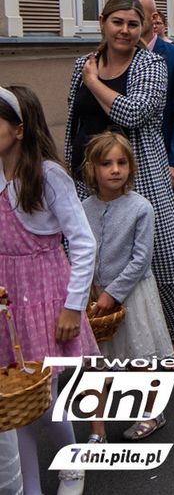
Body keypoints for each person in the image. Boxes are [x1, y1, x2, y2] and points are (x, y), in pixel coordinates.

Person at [66, 0, 174, 362]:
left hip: (140, 177)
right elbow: (75, 120)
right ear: (102, 21)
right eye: (117, 22)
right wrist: (71, 168)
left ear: (146, 28)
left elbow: (134, 114)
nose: (124, 30)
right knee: (100, 258)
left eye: (133, 24)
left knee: (159, 263)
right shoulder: (83, 64)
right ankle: (116, 336)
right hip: (88, 177)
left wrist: (94, 83)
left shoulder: (150, 64)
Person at [0, 86, 99, 495]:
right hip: (8, 298)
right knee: (14, 404)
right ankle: (28, 487)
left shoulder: (48, 175)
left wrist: (73, 306)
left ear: (19, 130)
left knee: (44, 396)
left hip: (45, 292)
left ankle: (72, 466)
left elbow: (83, 241)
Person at [80, 132, 174, 443]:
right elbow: (80, 249)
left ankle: (151, 411)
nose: (115, 169)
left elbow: (140, 260)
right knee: (96, 363)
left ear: (131, 168)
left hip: (132, 294)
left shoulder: (141, 208)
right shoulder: (84, 207)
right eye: (106, 163)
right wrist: (90, 286)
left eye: (121, 162)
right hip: (94, 296)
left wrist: (112, 292)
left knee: (136, 359)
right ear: (92, 169)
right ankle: (97, 431)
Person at [132, 0, 174, 199]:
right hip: (128, 161)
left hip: (163, 162)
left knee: (166, 228)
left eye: (138, 13)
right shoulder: (122, 55)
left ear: (153, 18)